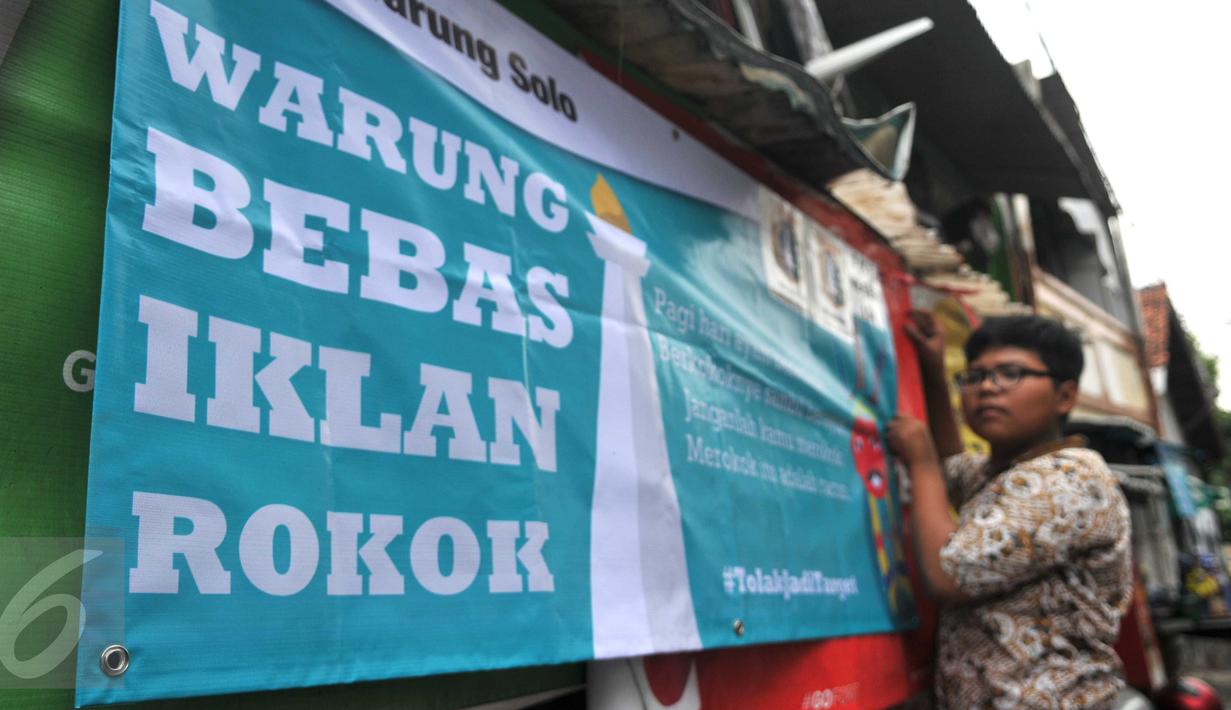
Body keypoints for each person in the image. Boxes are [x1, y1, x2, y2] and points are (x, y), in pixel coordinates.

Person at [887, 312, 1133, 709]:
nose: (987, 388)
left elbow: (948, 575)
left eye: (1010, 373)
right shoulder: (1008, 473)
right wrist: (934, 371)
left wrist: (920, 459)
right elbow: (952, 467)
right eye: (975, 376)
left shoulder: (1066, 479)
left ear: (1065, 396)